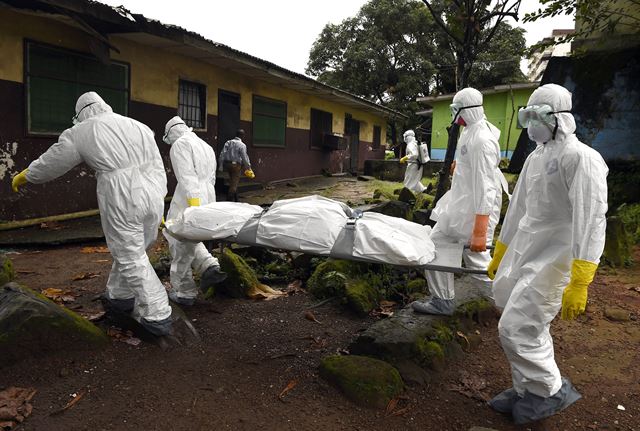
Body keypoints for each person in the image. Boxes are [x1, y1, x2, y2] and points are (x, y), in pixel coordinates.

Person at [487, 84, 608, 424]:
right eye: (527, 116)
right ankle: (526, 387)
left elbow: (590, 218)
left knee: (518, 327)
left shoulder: (581, 158)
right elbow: (519, 209)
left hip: (556, 258)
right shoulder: (536, 157)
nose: (531, 124)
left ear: (559, 118)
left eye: (537, 116)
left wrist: (581, 278)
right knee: (517, 320)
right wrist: (501, 251)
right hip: (527, 250)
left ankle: (549, 390)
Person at [11, 92, 173, 336]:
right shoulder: (140, 127)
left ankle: (157, 313)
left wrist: (28, 174)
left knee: (128, 253)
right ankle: (120, 295)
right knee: (135, 249)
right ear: (104, 105)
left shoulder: (82, 131)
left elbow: (55, 160)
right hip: (152, 189)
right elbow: (157, 165)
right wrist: (159, 198)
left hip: (120, 193)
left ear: (82, 113)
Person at [412, 87, 503, 316]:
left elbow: (486, 186)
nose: (454, 114)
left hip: (475, 210)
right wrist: (460, 167)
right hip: (461, 206)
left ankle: (513, 307)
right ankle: (442, 299)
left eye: (456, 109)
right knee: (436, 244)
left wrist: (480, 230)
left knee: (478, 265)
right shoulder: (472, 130)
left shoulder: (481, 140)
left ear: (468, 110)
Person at [161, 116, 227, 305]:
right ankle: (209, 266)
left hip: (189, 197)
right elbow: (211, 178)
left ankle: (184, 292)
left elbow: (187, 176)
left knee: (177, 239)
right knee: (189, 237)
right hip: (207, 194)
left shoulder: (180, 144)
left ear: (172, 132)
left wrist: (194, 205)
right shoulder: (204, 145)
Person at [218, 129, 254, 202]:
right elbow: (244, 157)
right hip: (236, 166)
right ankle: (229, 200)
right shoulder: (242, 145)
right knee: (234, 183)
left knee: (233, 181)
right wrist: (248, 167)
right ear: (242, 136)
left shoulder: (228, 142)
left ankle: (236, 198)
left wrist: (220, 165)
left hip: (227, 164)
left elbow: (222, 154)